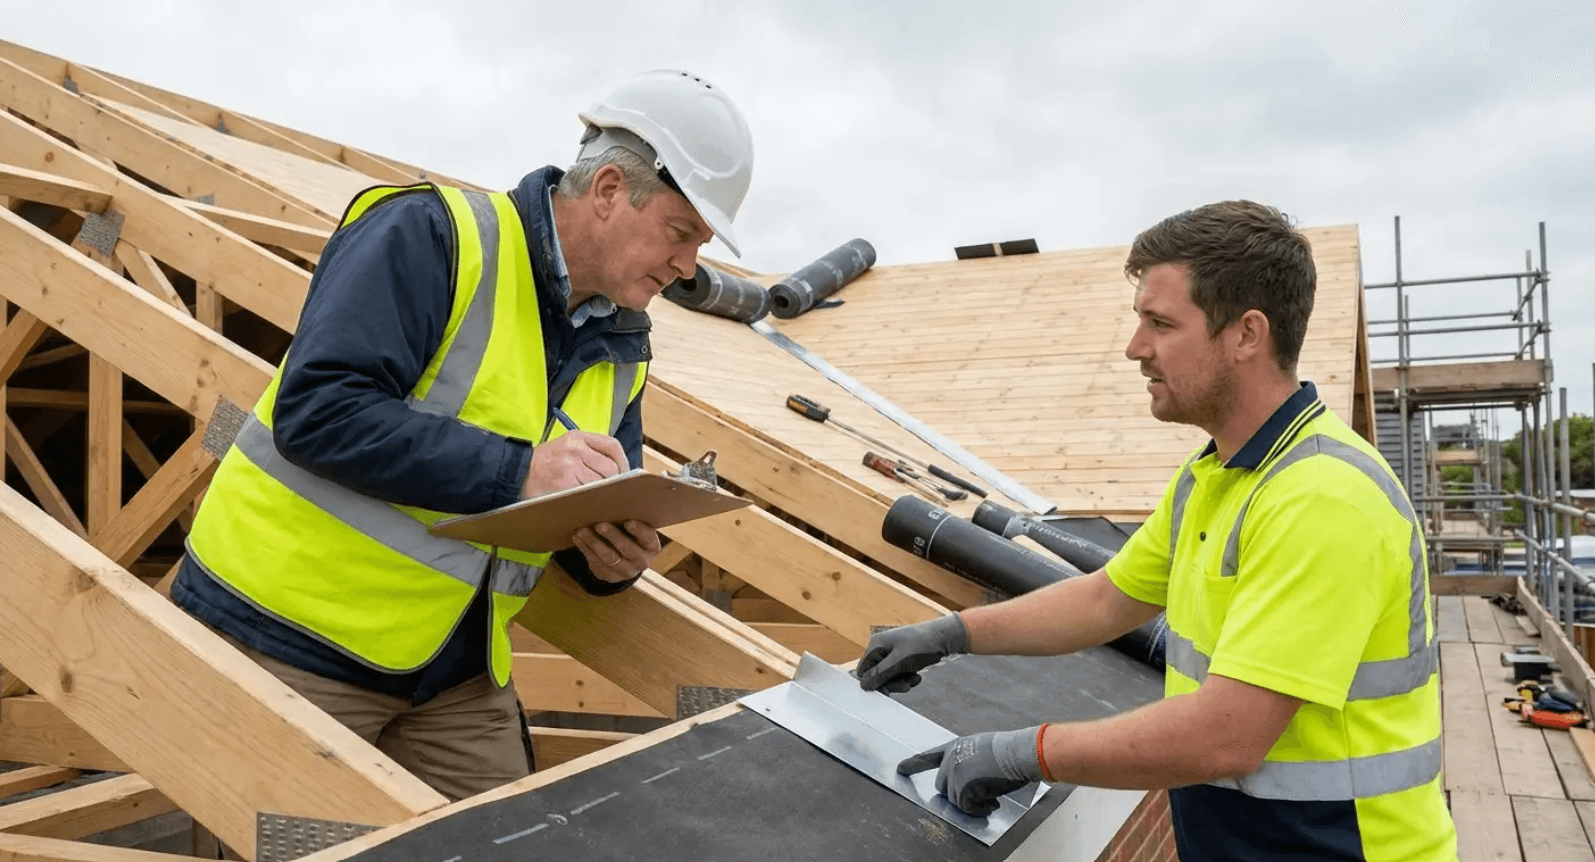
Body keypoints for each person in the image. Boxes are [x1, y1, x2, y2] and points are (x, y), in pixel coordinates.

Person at [173, 70, 755, 802]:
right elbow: (317, 411)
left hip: (456, 673)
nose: (687, 266)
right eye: (681, 233)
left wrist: (612, 560)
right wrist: (521, 471)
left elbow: (582, 505)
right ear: (608, 189)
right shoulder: (433, 236)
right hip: (286, 638)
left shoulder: (623, 343)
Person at [859, 201, 1458, 861]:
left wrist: (1024, 751)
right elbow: (1104, 600)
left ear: (1246, 334)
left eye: (1160, 323)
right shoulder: (1216, 475)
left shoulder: (1322, 499)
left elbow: (1225, 735)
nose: (1134, 348)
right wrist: (951, 634)